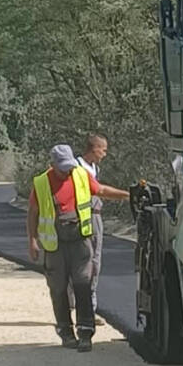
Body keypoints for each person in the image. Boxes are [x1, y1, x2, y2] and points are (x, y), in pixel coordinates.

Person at [27, 144, 129, 352]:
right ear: (52, 165)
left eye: (69, 166)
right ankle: (66, 332)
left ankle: (85, 333)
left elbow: (100, 190)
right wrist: (32, 240)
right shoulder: (42, 183)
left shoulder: (80, 175)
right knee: (58, 289)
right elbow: (33, 212)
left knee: (83, 285)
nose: (67, 171)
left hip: (80, 241)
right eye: (62, 168)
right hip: (55, 244)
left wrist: (127, 195)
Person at [76, 133, 110, 320]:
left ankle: (90, 306)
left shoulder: (94, 168)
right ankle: (80, 305)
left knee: (94, 263)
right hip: (82, 219)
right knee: (82, 263)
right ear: (94, 148)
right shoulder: (77, 167)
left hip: (95, 217)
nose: (104, 154)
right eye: (103, 150)